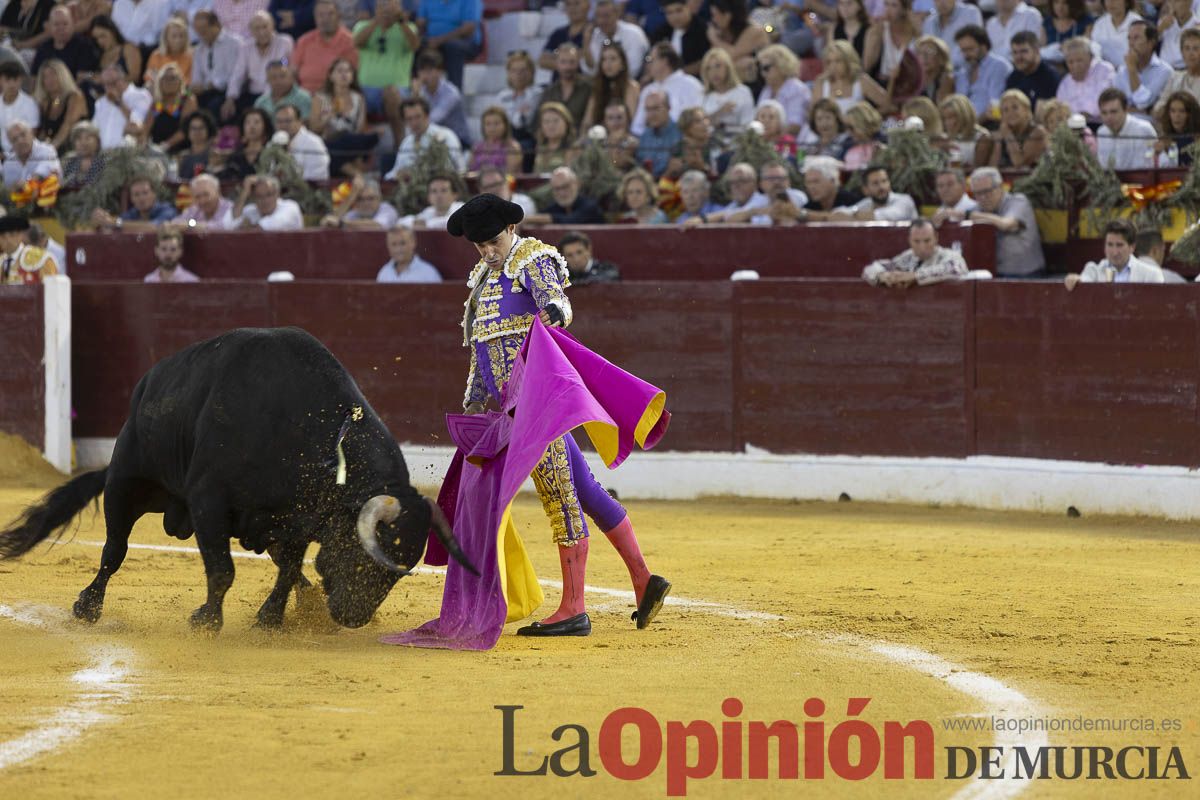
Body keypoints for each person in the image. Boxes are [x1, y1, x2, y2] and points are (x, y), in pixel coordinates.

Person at [449, 193, 670, 635]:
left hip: (539, 407)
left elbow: (559, 303)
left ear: (511, 230)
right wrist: (473, 401)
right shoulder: (482, 280)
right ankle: (645, 580)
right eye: (480, 246)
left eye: (493, 242)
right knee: (586, 491)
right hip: (513, 412)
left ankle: (573, 609)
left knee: (560, 497)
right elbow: (482, 351)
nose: (488, 252)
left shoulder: (531, 259)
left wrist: (552, 311)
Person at [352, 0, 417, 144]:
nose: (387, 11)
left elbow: (414, 45)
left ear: (399, 9)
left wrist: (401, 22)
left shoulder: (409, 28)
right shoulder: (362, 26)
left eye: (391, 7)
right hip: (366, 90)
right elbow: (357, 42)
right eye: (383, 6)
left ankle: (400, 145)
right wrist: (377, 21)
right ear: (376, 9)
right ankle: (356, 147)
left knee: (391, 92)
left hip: (399, 90)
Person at [967, 166, 1044, 278]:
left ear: (1000, 187)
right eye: (977, 193)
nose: (983, 197)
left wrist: (970, 216)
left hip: (1026, 275)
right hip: (993, 275)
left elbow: (1006, 224)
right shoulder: (977, 209)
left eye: (987, 191)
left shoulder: (1018, 201)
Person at [309, 57, 377, 176]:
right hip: (329, 141)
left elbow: (360, 129)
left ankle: (354, 171)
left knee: (368, 138)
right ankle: (357, 175)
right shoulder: (320, 98)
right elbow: (314, 128)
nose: (344, 75)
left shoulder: (358, 98)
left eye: (348, 71)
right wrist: (329, 116)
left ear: (352, 76)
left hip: (351, 141)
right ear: (331, 76)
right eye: (340, 71)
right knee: (331, 150)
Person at [223, 11, 295, 122]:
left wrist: (266, 99)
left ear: (272, 26)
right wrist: (230, 98)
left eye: (265, 27)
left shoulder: (285, 42)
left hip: (278, 93)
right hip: (253, 94)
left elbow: (283, 66)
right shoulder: (246, 47)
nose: (262, 32)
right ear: (251, 31)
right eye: (257, 28)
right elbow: (238, 74)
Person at [862, 218, 968, 287]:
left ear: (936, 238)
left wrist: (915, 276)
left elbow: (956, 268)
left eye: (927, 240)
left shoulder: (949, 256)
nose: (922, 247)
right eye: (916, 241)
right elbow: (870, 269)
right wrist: (883, 276)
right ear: (909, 240)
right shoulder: (908, 257)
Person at [1064, 219, 1164, 289]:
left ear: (1132, 247)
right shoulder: (1093, 270)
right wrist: (1075, 280)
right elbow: (1084, 282)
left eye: (1119, 245)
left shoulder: (1151, 274)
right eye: (1110, 245)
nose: (1114, 252)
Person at [631, 42, 704, 136]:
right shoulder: (648, 90)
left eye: (650, 59)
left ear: (664, 61)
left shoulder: (691, 84)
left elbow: (698, 118)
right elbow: (637, 126)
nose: (647, 65)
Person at [384, 96, 465, 179]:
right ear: (405, 121)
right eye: (409, 119)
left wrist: (414, 173)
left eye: (418, 117)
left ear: (427, 116)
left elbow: (449, 169)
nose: (414, 123)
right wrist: (397, 175)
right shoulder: (406, 143)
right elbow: (395, 171)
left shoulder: (446, 136)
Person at [292, 0, 358, 94]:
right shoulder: (304, 41)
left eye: (330, 14)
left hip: (334, 95)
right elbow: (293, 72)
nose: (325, 19)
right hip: (305, 95)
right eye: (321, 15)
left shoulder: (349, 41)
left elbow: (352, 76)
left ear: (339, 16)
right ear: (315, 18)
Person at [416, 0, 481, 89]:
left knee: (453, 47)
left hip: (464, 42)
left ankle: (454, 92)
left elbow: (469, 28)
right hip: (433, 40)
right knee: (414, 45)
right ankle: (413, 90)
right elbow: (420, 22)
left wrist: (439, 40)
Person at [191, 11, 243, 118]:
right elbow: (197, 77)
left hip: (228, 92)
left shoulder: (234, 43)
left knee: (213, 107)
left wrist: (213, 84)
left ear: (216, 25)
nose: (200, 33)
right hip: (206, 92)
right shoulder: (199, 49)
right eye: (197, 30)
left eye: (204, 29)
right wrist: (197, 86)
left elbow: (235, 76)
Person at [700, 48, 754, 149]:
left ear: (728, 68)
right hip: (709, 146)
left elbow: (748, 125)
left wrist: (725, 129)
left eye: (718, 66)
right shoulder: (704, 95)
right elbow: (698, 125)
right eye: (708, 68)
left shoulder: (743, 92)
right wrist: (720, 112)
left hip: (737, 146)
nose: (714, 72)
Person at [1113, 20, 1172, 114]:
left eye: (1136, 38)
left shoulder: (1164, 71)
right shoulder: (1122, 70)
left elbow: (1143, 103)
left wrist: (1132, 70)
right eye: (1129, 38)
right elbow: (1115, 105)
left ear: (1151, 43)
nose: (1131, 43)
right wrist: (1144, 110)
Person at [415, 48, 470, 147]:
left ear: (440, 72)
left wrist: (417, 96)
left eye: (429, 71)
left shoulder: (451, 93)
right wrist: (415, 95)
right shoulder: (420, 91)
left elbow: (434, 119)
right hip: (433, 140)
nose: (425, 75)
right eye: (422, 71)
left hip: (458, 142)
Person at [954, 26, 1012, 117]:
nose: (966, 55)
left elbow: (995, 106)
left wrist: (974, 122)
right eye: (963, 50)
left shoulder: (998, 66)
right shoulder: (963, 71)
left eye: (970, 49)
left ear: (983, 46)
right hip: (964, 122)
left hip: (989, 122)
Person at [706, 0, 770, 84]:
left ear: (727, 16)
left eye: (714, 15)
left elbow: (731, 54)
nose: (713, 20)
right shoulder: (721, 32)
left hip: (757, 82)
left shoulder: (754, 31)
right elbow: (716, 60)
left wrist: (714, 38)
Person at [584, 0, 650, 79]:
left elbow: (633, 70)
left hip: (632, 82)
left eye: (606, 16)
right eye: (598, 16)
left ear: (617, 14)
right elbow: (589, 70)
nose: (601, 21)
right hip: (601, 83)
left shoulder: (634, 33)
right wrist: (586, 44)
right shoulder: (594, 35)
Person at [1056, 36, 1116, 121]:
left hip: (1100, 122)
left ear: (1090, 58)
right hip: (1072, 124)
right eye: (1070, 62)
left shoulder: (1104, 70)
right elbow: (1061, 108)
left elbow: (1105, 100)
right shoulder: (1065, 82)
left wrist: (1084, 114)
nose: (1075, 66)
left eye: (1079, 60)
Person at [583, 42, 640, 129]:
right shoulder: (597, 87)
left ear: (622, 64)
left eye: (613, 59)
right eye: (604, 59)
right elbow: (587, 120)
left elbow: (631, 121)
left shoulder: (631, 87)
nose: (608, 64)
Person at [756, 44, 811, 136]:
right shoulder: (767, 90)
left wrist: (772, 138)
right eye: (760, 69)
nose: (762, 73)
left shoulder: (797, 89)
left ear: (781, 65)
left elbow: (795, 126)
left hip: (792, 142)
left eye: (766, 68)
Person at [1096, 87, 1158, 169]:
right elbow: (1103, 167)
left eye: (1113, 112)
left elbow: (1145, 168)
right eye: (1104, 113)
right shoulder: (1101, 132)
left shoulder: (1143, 130)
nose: (1109, 117)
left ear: (1126, 110)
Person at [33, 60, 87, 154]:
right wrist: (38, 149)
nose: (50, 80)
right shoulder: (46, 102)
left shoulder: (75, 97)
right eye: (45, 77)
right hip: (53, 151)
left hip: (74, 150)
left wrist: (50, 150)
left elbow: (67, 126)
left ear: (63, 76)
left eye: (53, 74)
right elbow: (44, 132)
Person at [32, 5, 100, 78]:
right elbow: (34, 77)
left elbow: (83, 78)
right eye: (56, 24)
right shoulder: (43, 48)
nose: (61, 28)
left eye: (65, 24)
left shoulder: (85, 46)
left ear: (73, 24)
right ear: (50, 26)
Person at [832, 165, 917, 221]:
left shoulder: (905, 200)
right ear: (865, 190)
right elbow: (840, 212)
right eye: (875, 183)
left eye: (884, 181)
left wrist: (853, 216)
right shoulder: (867, 203)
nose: (882, 187)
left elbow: (884, 216)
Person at [538, 44, 590, 133]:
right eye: (563, 62)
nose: (567, 67)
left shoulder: (589, 88)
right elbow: (539, 120)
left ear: (578, 63)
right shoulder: (549, 91)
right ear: (556, 63)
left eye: (572, 62)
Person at [93, 175, 175, 231]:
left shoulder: (167, 210)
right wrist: (102, 220)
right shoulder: (131, 214)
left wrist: (114, 222)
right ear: (131, 199)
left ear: (154, 195)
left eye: (145, 193)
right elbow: (114, 226)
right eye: (136, 194)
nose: (141, 198)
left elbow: (154, 227)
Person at [989, 89, 1047, 168]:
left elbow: (1019, 163)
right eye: (1005, 110)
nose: (1010, 113)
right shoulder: (1003, 133)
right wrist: (998, 143)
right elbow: (992, 168)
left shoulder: (1038, 132)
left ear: (1026, 110)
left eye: (1015, 107)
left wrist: (1008, 135)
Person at [147, 64, 198, 152]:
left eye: (173, 78)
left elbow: (185, 129)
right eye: (165, 78)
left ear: (180, 81)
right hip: (155, 149)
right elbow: (147, 126)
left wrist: (165, 145)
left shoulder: (187, 99)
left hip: (180, 150)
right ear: (160, 82)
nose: (169, 82)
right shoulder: (157, 103)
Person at [226, 174, 304, 230]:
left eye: (269, 195)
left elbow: (266, 228)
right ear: (253, 198)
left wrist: (245, 229)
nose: (265, 200)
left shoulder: (290, 207)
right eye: (259, 196)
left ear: (277, 195)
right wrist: (244, 192)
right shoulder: (250, 210)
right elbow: (230, 225)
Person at [1005, 30, 1061, 109]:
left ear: (1037, 51)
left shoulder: (1050, 77)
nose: (1019, 57)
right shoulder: (1013, 78)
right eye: (1015, 52)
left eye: (1024, 51)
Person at [497, 50, 539, 154]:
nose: (519, 75)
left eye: (523, 70)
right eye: (514, 70)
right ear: (508, 73)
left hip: (529, 139)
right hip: (505, 137)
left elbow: (522, 122)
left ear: (531, 72)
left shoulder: (537, 94)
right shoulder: (502, 96)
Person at [274, 102, 330, 180]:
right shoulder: (274, 141)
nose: (283, 125)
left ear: (299, 121)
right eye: (279, 121)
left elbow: (316, 176)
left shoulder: (313, 142)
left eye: (288, 121)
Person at [651, 0, 707, 76]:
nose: (675, 17)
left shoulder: (703, 30)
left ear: (689, 8)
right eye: (669, 13)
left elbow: (706, 60)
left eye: (679, 10)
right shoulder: (661, 32)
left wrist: (678, 75)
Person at [323, 175, 399, 228]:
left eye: (370, 198)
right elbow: (333, 222)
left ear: (379, 199)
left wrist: (342, 224)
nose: (366, 203)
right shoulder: (354, 213)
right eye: (360, 199)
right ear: (355, 202)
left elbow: (377, 227)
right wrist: (351, 196)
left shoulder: (387, 210)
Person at [922, 0, 982, 68]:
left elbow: (974, 47)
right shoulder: (928, 22)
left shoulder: (970, 13)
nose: (942, 2)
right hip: (938, 71)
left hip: (965, 69)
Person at [0, 215, 58, 285]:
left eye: (12, 235)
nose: (8, 240)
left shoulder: (41, 259)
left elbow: (51, 287)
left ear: (20, 235)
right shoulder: (1, 260)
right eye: (3, 236)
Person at [3, 120, 61, 189]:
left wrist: (29, 182)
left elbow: (46, 169)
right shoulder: (8, 163)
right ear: (11, 143)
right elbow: (10, 188)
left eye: (23, 135)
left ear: (31, 133)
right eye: (15, 139)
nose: (20, 141)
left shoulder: (47, 150)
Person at [939, 92, 992, 166]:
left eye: (951, 117)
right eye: (945, 118)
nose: (947, 123)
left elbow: (978, 168)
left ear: (964, 115)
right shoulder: (944, 138)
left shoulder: (982, 137)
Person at [1155, 29, 1200, 117]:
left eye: (1196, 48)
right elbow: (1158, 108)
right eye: (1187, 48)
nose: (1191, 53)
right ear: (1182, 52)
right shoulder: (1175, 77)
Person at [376, 223, 441, 282]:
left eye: (403, 243)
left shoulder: (429, 273)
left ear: (413, 243)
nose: (398, 249)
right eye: (394, 244)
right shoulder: (384, 272)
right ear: (388, 246)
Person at [468, 106, 522, 174]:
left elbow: (510, 173)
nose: (492, 128)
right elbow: (470, 171)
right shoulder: (477, 147)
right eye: (488, 124)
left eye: (496, 123)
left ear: (505, 125)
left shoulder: (512, 147)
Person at [0, 61, 40, 153]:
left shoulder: (30, 104)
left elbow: (32, 134)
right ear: (0, 80)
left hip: (23, 153)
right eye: (7, 80)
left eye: (15, 80)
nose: (12, 84)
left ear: (21, 80)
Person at [539, 0, 590, 72]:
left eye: (577, 3)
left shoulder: (594, 32)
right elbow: (542, 60)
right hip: (559, 79)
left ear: (588, 5)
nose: (572, 8)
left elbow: (594, 59)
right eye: (568, 4)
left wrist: (560, 58)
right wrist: (569, 63)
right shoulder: (558, 33)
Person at [143, 15, 193, 86]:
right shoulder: (157, 55)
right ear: (166, 38)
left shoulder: (190, 56)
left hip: (181, 90)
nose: (178, 40)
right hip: (159, 89)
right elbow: (148, 76)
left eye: (181, 36)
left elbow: (190, 80)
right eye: (174, 36)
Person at [1092, 0, 1141, 69]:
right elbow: (1094, 50)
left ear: (1126, 2)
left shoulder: (1138, 23)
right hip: (1105, 71)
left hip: (1131, 70)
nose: (1111, 2)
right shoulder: (1099, 23)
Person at [532, 101, 578, 174]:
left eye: (556, 121)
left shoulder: (573, 148)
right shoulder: (540, 147)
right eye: (546, 121)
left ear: (566, 123)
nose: (551, 125)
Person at [1156, 91, 1200, 165]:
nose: (1177, 115)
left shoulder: (1197, 138)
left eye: (1182, 111)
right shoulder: (1165, 139)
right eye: (1173, 111)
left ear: (1190, 114)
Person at [61, 120, 105, 188]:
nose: (83, 142)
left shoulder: (105, 162)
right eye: (79, 138)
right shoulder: (68, 161)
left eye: (88, 138)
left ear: (97, 141)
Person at [1159, 0, 1199, 71]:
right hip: (1163, 70)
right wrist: (1160, 29)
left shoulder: (1197, 25)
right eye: (1172, 1)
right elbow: (1150, 43)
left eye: (1178, 1)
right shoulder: (1164, 22)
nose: (1175, 5)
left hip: (1185, 70)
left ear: (1189, 2)